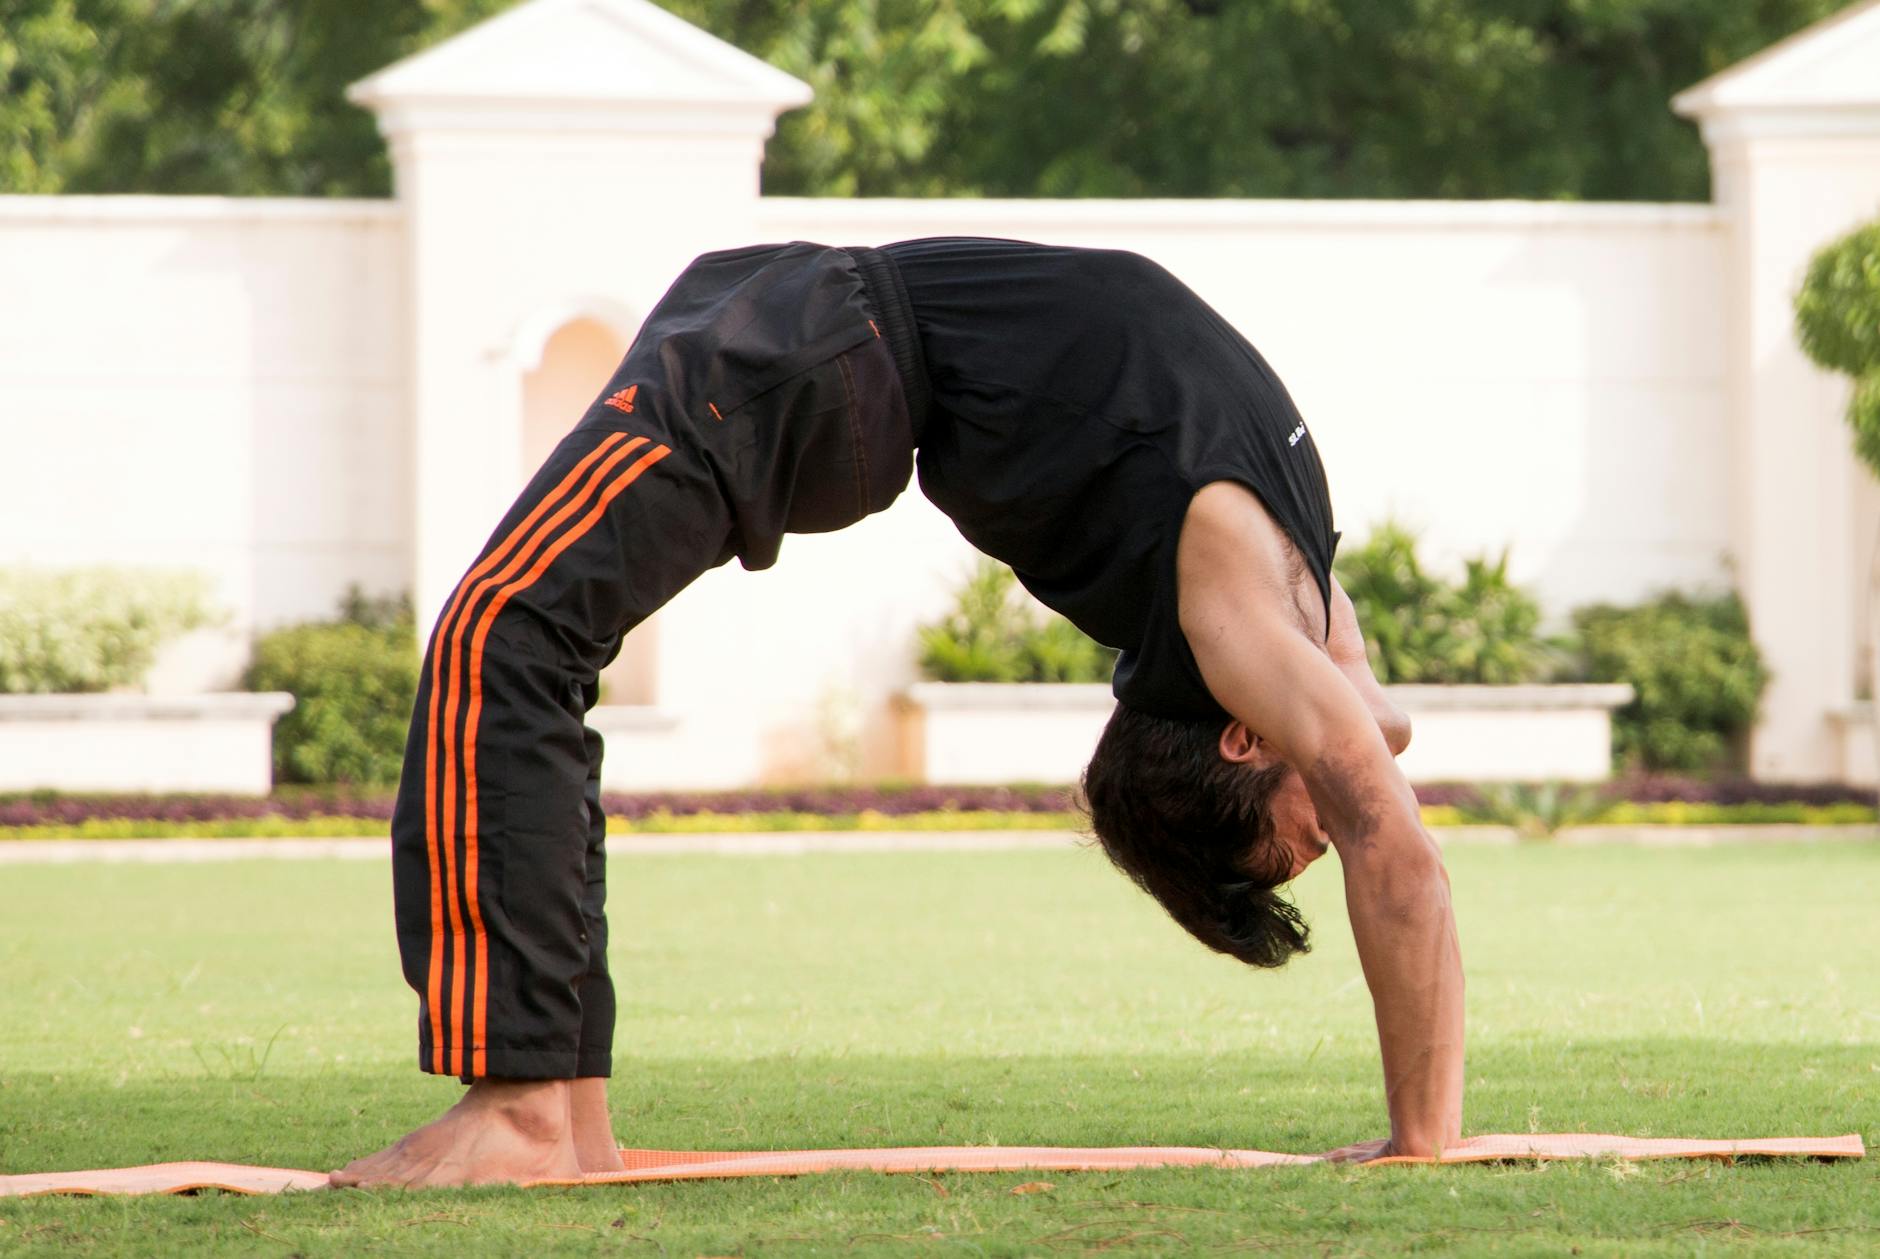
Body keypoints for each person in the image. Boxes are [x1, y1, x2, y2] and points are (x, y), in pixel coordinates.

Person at [332, 238, 1462, 1188]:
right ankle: (544, 1114)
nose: (1332, 818)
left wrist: (1422, 1128)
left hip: (822, 347)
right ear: (1244, 733)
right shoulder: (1242, 620)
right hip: (814, 341)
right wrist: (1423, 1140)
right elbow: (1396, 849)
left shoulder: (1301, 606)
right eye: (1303, 834)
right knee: (514, 629)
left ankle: (544, 1113)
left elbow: (1378, 740)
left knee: (517, 632)